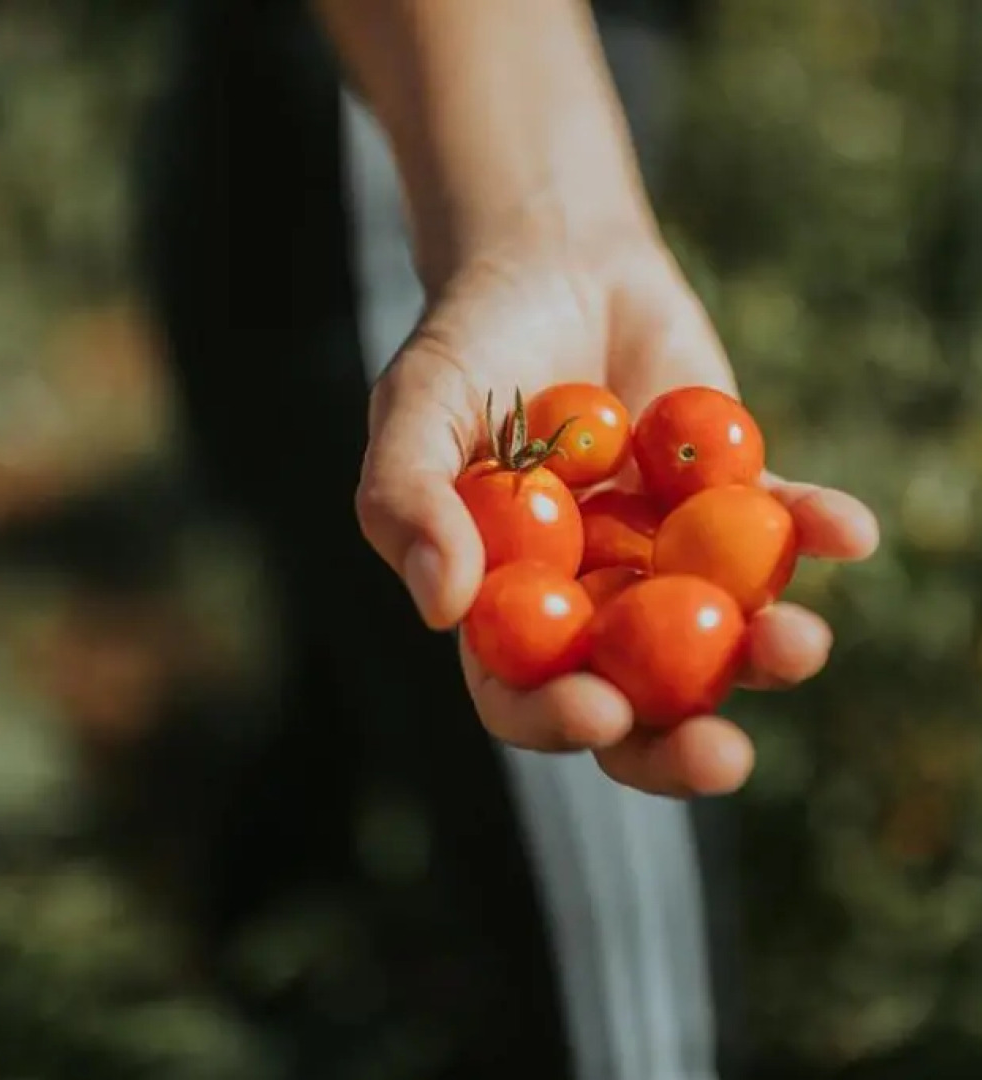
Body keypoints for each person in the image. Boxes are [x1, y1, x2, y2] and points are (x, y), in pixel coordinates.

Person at [135, 0, 880, 1077]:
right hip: (396, 116)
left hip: (463, 113)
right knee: (618, 1024)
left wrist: (566, 224)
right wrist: (539, 228)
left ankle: (270, 977)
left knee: (349, 694)